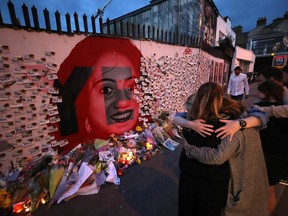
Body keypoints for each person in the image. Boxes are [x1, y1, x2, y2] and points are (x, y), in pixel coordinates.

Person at [178, 82, 261, 216]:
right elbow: (261, 116)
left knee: (187, 209)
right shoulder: (230, 125)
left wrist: (189, 148)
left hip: (189, 176)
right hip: (215, 181)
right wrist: (240, 123)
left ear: (198, 98)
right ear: (220, 98)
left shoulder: (191, 121)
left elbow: (176, 117)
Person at [53, 37, 142, 152]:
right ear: (82, 100)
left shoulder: (143, 139)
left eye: (130, 87)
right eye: (106, 90)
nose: (123, 102)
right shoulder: (78, 157)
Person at [254, 80, 288, 211]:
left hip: (265, 155)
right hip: (280, 155)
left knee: (262, 190)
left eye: (260, 90)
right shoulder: (282, 109)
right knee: (270, 188)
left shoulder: (260, 107)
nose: (258, 92)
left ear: (267, 93)